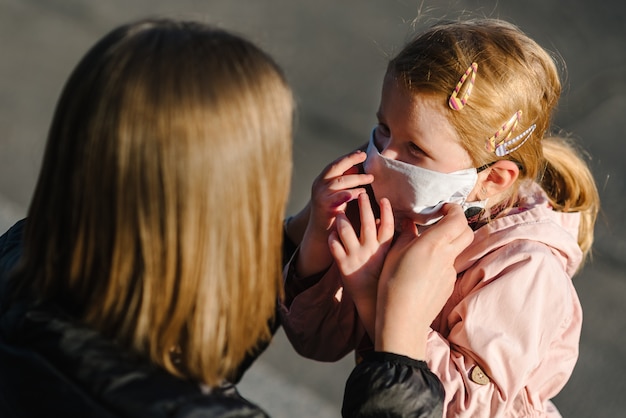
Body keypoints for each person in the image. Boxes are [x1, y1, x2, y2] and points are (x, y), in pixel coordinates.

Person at [0, 17, 468, 418]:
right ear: (238, 195)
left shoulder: (20, 259)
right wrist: (400, 348)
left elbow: (173, 353)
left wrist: (295, 235)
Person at [280, 18, 600, 417]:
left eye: (414, 148)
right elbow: (317, 343)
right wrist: (315, 236)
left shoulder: (526, 267)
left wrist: (374, 295)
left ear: (493, 178)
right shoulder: (398, 211)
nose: (383, 157)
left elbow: (467, 409)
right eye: (383, 128)